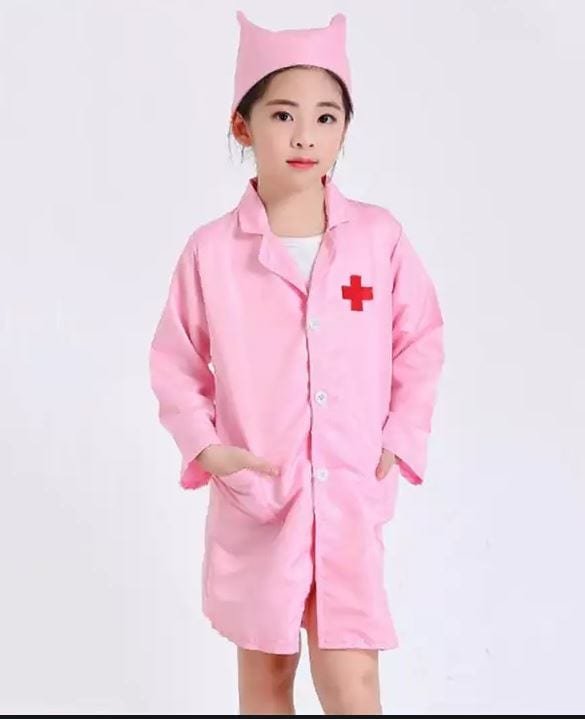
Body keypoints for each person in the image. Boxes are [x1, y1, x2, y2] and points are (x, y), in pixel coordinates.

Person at [149, 10, 445, 715]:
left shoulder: (376, 239)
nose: (305, 135)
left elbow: (420, 340)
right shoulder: (213, 252)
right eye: (282, 115)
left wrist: (398, 439)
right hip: (262, 495)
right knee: (266, 675)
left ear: (344, 130)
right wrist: (209, 449)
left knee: (352, 681)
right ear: (242, 127)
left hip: (347, 493)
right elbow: (176, 359)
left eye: (326, 117)